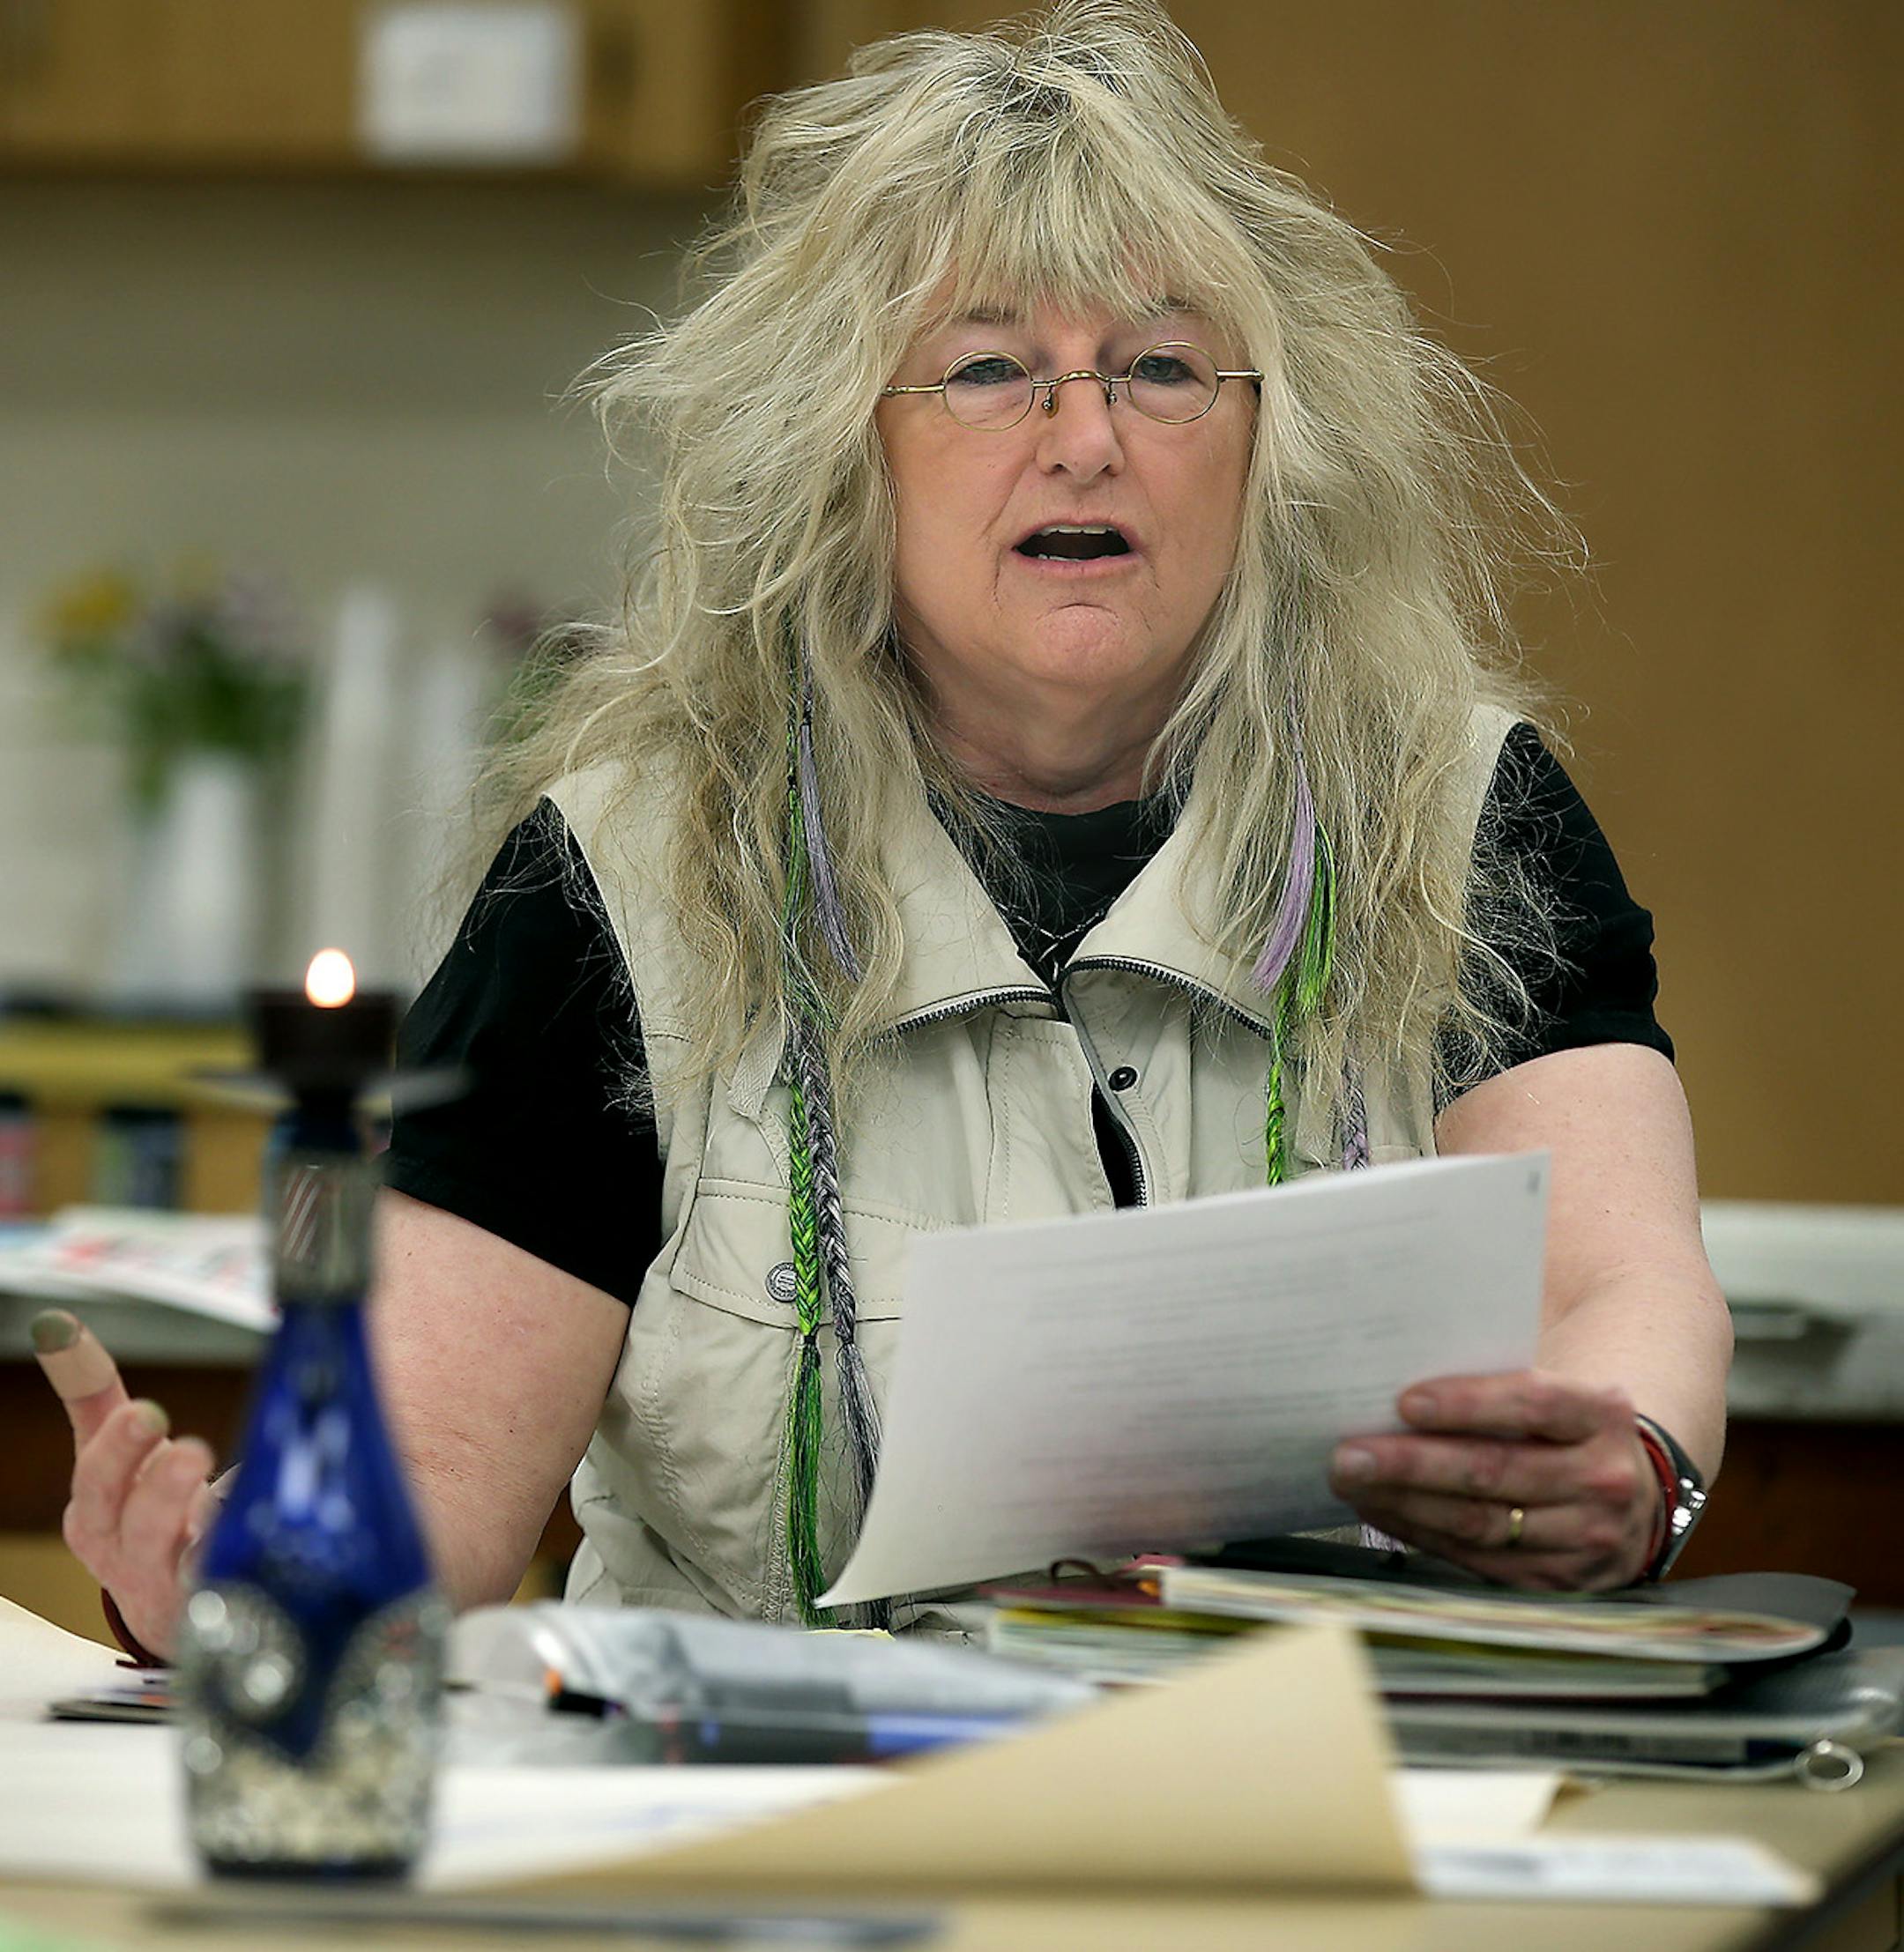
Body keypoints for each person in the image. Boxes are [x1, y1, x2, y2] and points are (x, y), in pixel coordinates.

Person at [38, 0, 1731, 1657]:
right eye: (989, 371)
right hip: (755, 1869)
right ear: (846, 456)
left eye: (1159, 368)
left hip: (1322, 1830)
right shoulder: (625, 875)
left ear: (1265, 444)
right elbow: (436, 1487)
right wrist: (243, 1587)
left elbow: (1621, 1284)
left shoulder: (1451, 807)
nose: (1087, 441)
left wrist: (1633, 1463)